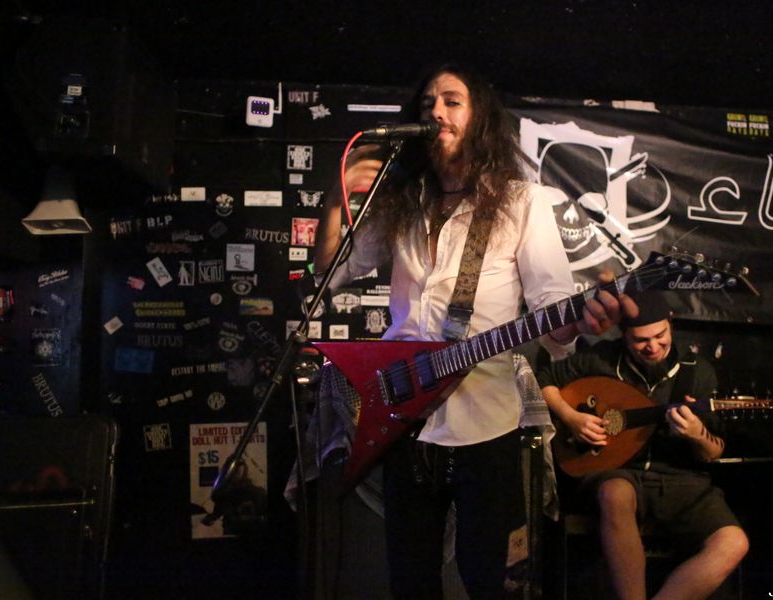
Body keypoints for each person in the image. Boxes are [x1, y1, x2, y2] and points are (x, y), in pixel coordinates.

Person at [313, 63, 636, 599]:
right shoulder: (403, 201)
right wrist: (334, 197)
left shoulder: (522, 201)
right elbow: (330, 271)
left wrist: (582, 318)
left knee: (490, 581)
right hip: (401, 418)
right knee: (410, 581)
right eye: (427, 104)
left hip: (485, 426)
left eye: (451, 101)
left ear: (480, 116)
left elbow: (553, 311)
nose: (436, 112)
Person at [536, 292, 749, 600]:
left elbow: (714, 452)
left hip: (680, 481)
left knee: (734, 542)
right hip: (617, 471)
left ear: (671, 325)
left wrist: (697, 434)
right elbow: (544, 379)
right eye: (641, 340)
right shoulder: (602, 358)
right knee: (615, 493)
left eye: (660, 336)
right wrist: (572, 419)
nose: (653, 346)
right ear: (624, 335)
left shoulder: (697, 371)